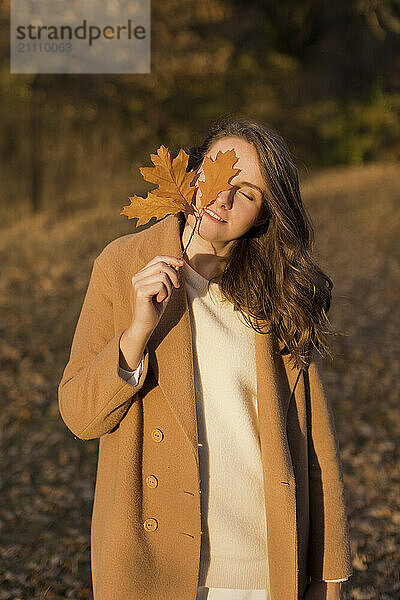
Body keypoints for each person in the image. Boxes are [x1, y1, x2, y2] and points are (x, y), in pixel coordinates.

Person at [58, 116, 353, 600]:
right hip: (153, 567)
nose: (223, 197)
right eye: (217, 173)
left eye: (249, 193)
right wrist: (137, 333)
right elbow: (79, 415)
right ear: (191, 172)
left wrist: (329, 575)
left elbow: (317, 446)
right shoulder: (121, 265)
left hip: (262, 569)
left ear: (263, 215)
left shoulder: (277, 297)